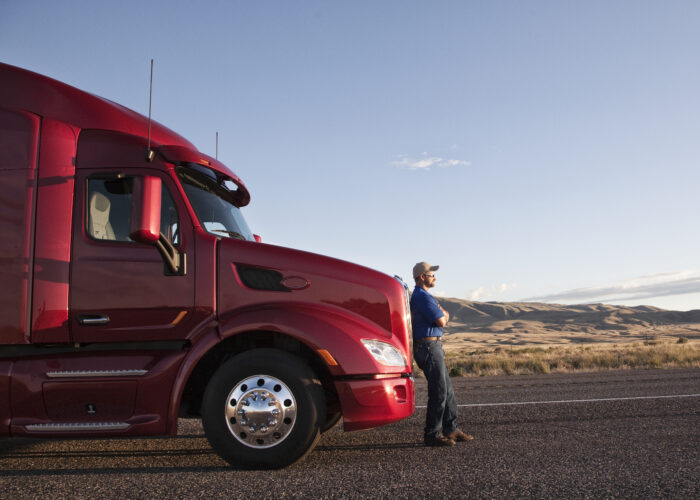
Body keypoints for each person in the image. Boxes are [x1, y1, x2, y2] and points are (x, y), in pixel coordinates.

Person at [410, 261, 474, 447]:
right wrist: (444, 314)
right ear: (422, 277)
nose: (434, 277)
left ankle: (451, 429)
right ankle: (432, 433)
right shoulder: (423, 297)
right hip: (428, 348)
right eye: (431, 274)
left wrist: (443, 314)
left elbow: (441, 317)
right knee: (439, 391)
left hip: (432, 347)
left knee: (447, 390)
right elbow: (441, 320)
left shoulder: (423, 297)